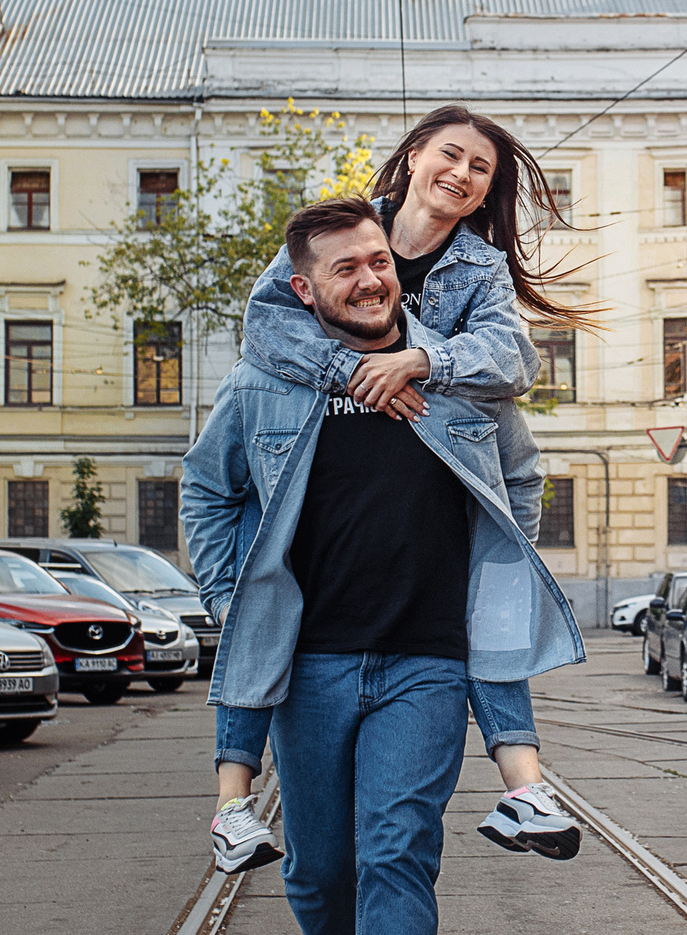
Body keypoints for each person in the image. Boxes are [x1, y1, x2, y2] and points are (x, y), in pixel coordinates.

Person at [184, 196, 584, 935]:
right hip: (312, 665)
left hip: (427, 662)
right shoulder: (266, 380)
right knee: (321, 872)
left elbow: (519, 471)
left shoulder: (453, 367)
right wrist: (224, 595)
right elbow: (207, 485)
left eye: (378, 260)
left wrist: (499, 563)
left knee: (399, 850)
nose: (370, 279)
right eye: (346, 269)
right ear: (304, 289)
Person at [210, 105, 596, 870]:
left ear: (485, 193)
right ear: (415, 155)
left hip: (436, 468)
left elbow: (512, 362)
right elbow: (267, 325)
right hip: (314, 442)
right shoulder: (349, 230)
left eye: (479, 169)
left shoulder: (480, 268)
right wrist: (354, 373)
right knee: (262, 571)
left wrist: (418, 365)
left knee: (483, 599)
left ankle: (525, 786)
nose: (460, 173)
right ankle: (231, 801)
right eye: (450, 155)